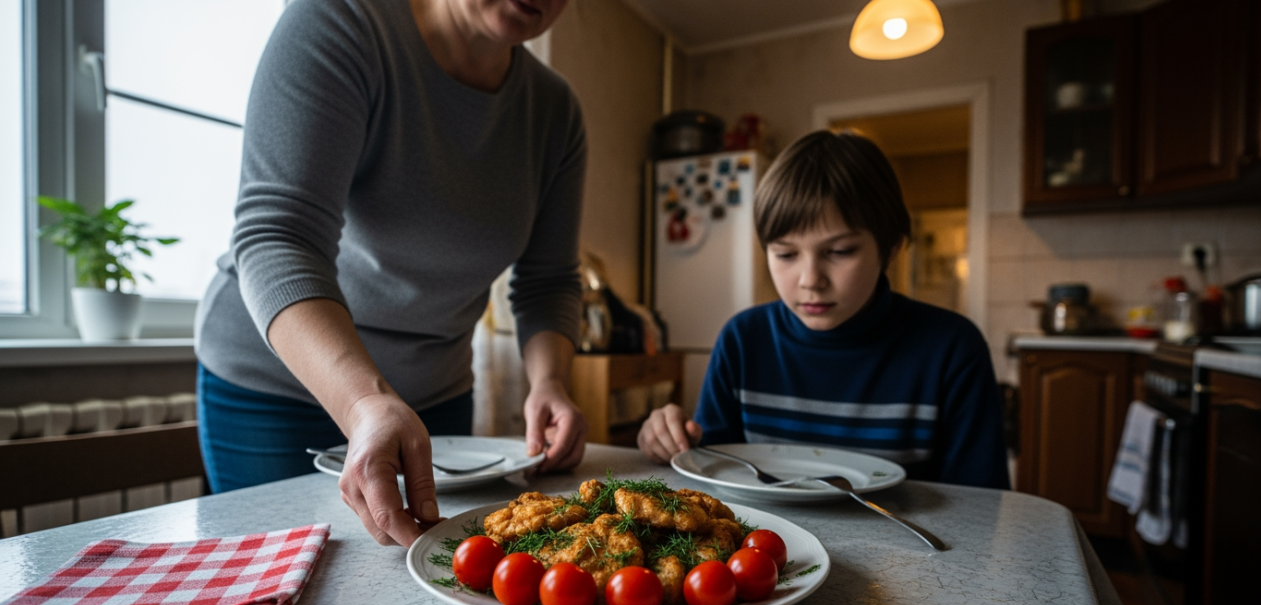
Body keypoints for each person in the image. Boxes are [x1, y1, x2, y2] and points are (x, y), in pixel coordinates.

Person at [194, 0, 588, 549]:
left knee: (429, 581)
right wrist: (361, 403)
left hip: (433, 396)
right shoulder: (341, 22)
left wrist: (549, 382)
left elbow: (548, 283)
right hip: (275, 387)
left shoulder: (555, 113)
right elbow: (279, 238)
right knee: (282, 597)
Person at [637, 130, 1009, 489]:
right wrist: (669, 440)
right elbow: (713, 472)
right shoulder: (743, 340)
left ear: (891, 249)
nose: (810, 280)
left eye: (840, 252)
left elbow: (981, 505)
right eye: (785, 254)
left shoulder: (952, 349)